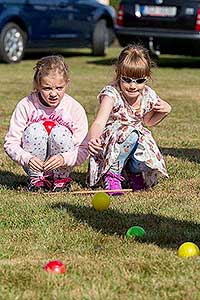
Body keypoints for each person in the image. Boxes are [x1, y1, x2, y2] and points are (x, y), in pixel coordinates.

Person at [87, 44, 171, 195]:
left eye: (139, 81)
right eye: (127, 79)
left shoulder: (147, 94)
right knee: (131, 134)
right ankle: (111, 174)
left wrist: (164, 112)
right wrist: (93, 139)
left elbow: (147, 122)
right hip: (114, 140)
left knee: (142, 139)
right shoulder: (112, 94)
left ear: (147, 77)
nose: (133, 86)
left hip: (134, 138)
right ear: (118, 74)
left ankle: (134, 173)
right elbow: (100, 121)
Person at [4, 55, 88, 192]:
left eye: (59, 88)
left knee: (60, 132)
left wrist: (64, 159)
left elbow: (83, 148)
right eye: (47, 88)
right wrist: (27, 158)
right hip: (34, 163)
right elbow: (10, 143)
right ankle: (37, 180)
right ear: (38, 85)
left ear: (67, 83)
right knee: (34, 130)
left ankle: (61, 180)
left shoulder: (74, 108)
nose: (53, 94)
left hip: (62, 163)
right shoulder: (26, 105)